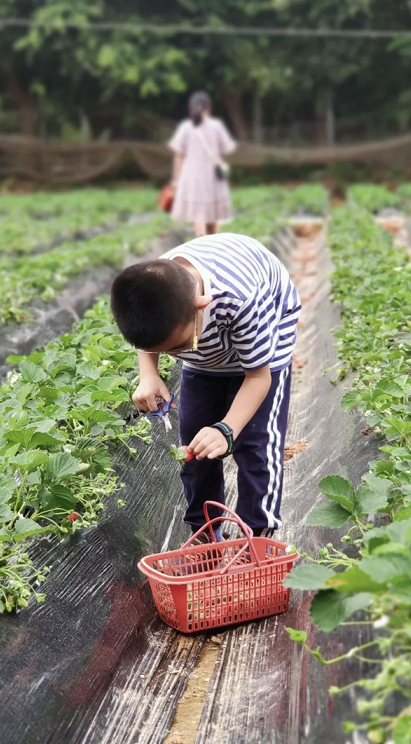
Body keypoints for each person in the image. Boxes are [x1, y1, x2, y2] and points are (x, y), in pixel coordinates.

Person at [110, 232, 301, 540]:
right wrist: (148, 373)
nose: (176, 354)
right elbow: (149, 340)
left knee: (256, 444)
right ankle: (205, 534)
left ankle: (256, 538)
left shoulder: (241, 298)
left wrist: (227, 429)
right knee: (195, 447)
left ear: (201, 304)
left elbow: (257, 378)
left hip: (267, 335)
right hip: (208, 351)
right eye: (168, 350)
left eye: (180, 345)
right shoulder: (152, 295)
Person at [169, 91, 237, 238]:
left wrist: (175, 179)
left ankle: (201, 246)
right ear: (209, 108)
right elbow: (228, 148)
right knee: (212, 214)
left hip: (192, 177)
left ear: (191, 109)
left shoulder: (186, 127)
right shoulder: (216, 126)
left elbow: (178, 155)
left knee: (198, 215)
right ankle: (211, 248)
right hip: (213, 177)